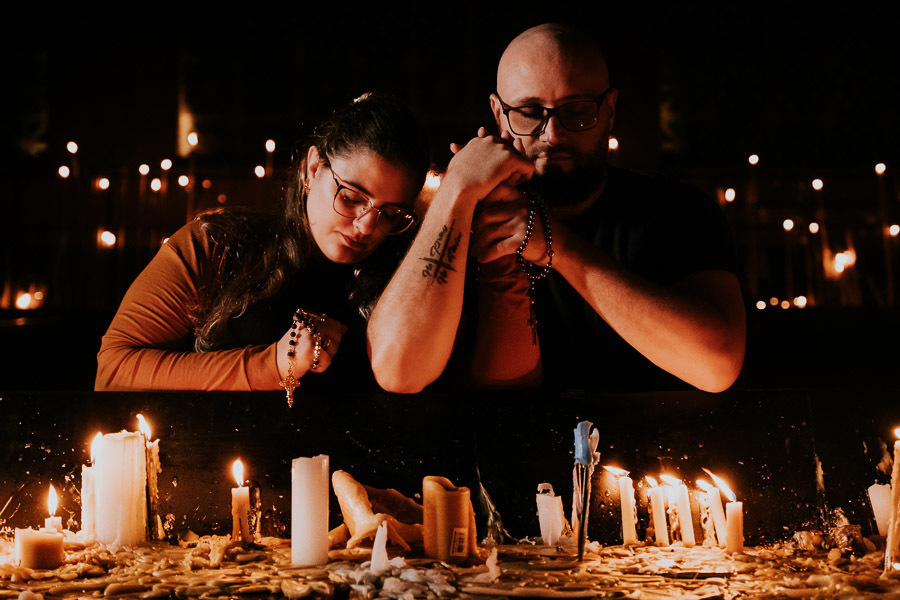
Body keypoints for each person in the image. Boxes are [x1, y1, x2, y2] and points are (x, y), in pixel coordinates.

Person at [367, 24, 746, 393]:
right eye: (530, 112)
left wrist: (552, 243)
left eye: (577, 110)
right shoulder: (450, 215)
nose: (553, 134)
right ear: (498, 114)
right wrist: (457, 189)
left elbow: (717, 366)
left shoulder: (679, 211)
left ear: (610, 109)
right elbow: (397, 370)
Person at [95, 92, 430, 398]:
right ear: (313, 168)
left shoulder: (408, 286)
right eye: (352, 196)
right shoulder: (217, 247)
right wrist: (273, 365)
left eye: (390, 213)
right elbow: (114, 372)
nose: (367, 225)